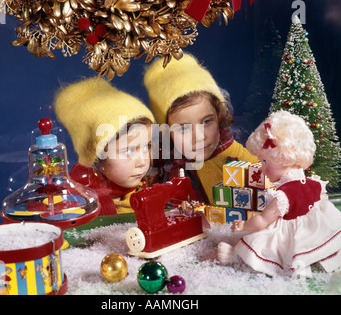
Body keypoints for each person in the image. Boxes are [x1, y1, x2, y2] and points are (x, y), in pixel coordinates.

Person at [217, 110, 341, 277]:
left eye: (265, 161)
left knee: (259, 240)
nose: (261, 167)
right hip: (315, 229)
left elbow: (261, 221)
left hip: (291, 233)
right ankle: (321, 252)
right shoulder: (314, 183)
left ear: (285, 158)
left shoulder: (283, 196)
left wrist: (244, 225)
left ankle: (237, 256)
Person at [144, 53, 258, 204]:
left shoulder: (237, 159)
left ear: (219, 116)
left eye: (206, 122)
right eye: (184, 128)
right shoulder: (165, 170)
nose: (198, 137)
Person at [54, 77, 154, 215]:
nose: (142, 162)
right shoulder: (79, 203)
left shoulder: (149, 186)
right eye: (129, 150)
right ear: (97, 158)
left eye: (146, 146)